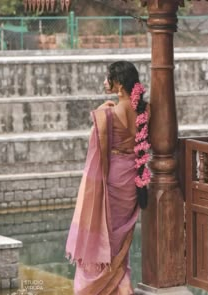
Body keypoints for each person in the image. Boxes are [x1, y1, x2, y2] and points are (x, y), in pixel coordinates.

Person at [65, 61, 151, 295]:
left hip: (113, 179)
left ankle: (97, 288)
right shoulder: (145, 110)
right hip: (133, 178)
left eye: (108, 78)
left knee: (105, 233)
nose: (105, 82)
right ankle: (121, 286)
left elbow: (95, 141)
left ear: (120, 84)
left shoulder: (109, 113)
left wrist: (101, 111)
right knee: (119, 238)